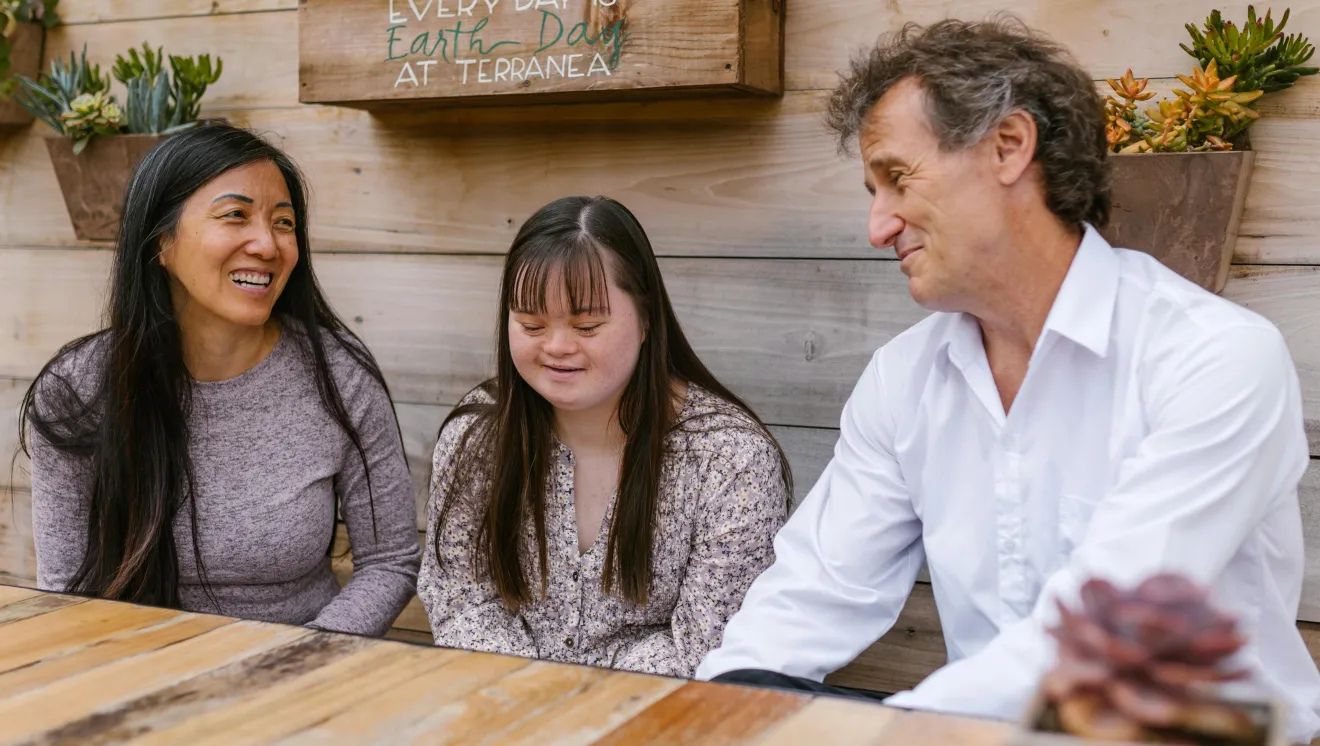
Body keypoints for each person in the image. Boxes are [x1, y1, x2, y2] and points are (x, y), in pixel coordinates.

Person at [695, 15, 1320, 743]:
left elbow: (1101, 636)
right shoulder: (904, 381)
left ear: (1009, 146)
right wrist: (720, 712)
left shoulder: (1215, 359)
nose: (879, 225)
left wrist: (879, 735)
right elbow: (807, 599)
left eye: (897, 178)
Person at [21, 123, 420, 637]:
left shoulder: (338, 375)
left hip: (306, 674)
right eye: (236, 216)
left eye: (284, 222)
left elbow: (389, 561)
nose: (268, 244)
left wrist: (304, 659)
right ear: (161, 242)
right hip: (137, 674)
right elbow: (66, 593)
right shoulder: (76, 391)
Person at [417, 195, 792, 677]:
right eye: (531, 324)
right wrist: (531, 700)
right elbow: (460, 602)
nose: (556, 347)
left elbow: (710, 643)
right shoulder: (478, 437)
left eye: (587, 325)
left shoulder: (731, 461)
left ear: (646, 319)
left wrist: (576, 704)